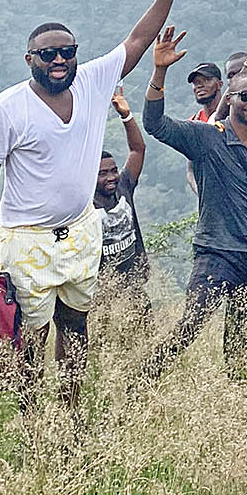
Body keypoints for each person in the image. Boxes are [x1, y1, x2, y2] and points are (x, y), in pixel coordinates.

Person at [0, 0, 196, 404]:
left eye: (67, 52)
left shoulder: (92, 81)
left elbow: (137, 41)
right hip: (26, 237)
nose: (59, 60)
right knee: (28, 335)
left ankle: (69, 410)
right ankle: (34, 417)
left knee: (76, 325)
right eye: (48, 53)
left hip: (80, 232)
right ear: (29, 58)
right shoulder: (7, 109)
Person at [141, 26, 247, 375]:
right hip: (217, 255)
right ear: (231, 99)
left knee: (246, 340)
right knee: (189, 327)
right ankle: (142, 384)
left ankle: (239, 397)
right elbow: (155, 124)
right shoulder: (207, 138)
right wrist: (160, 71)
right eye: (245, 97)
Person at [94, 88, 150, 321]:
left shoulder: (124, 187)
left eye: (113, 170)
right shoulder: (82, 203)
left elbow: (138, 149)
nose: (111, 177)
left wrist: (126, 116)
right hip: (99, 292)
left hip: (134, 284)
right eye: (102, 173)